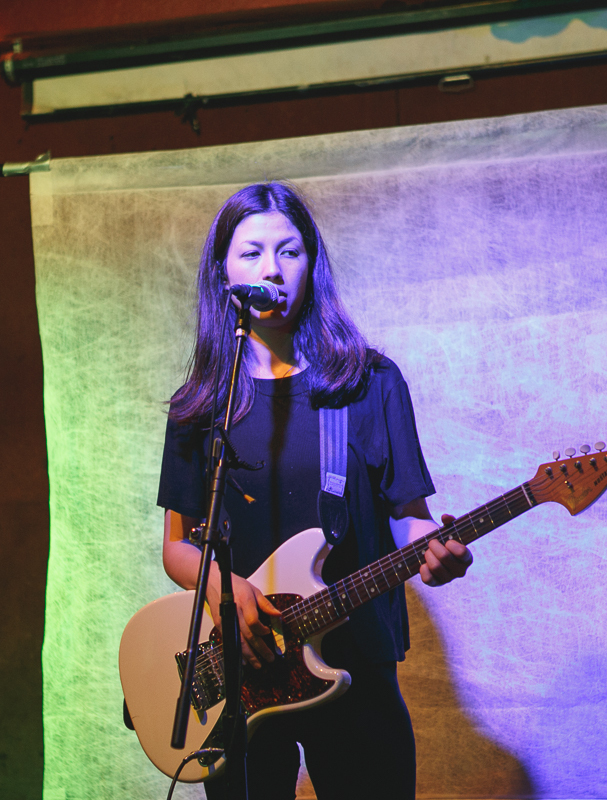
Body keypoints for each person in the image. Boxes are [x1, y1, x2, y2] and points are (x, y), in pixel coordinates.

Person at [157, 183, 472, 800]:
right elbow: (177, 546)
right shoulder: (203, 404)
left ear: (312, 264)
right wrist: (229, 589)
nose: (270, 269)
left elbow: (410, 519)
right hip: (244, 672)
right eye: (250, 253)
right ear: (223, 272)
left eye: (288, 251)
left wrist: (438, 552)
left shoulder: (369, 381)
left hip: (355, 658)